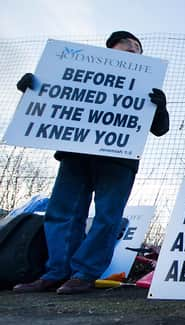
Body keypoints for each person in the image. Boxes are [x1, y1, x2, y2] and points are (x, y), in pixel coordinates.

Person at [13, 31, 169, 295]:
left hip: (119, 159)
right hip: (76, 155)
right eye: (127, 45)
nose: (133, 48)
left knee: (107, 217)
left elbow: (160, 129)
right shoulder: (77, 73)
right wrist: (33, 89)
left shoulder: (146, 85)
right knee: (62, 212)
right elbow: (55, 100)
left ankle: (84, 273)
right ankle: (56, 273)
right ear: (110, 50)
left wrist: (160, 107)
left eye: (137, 47)